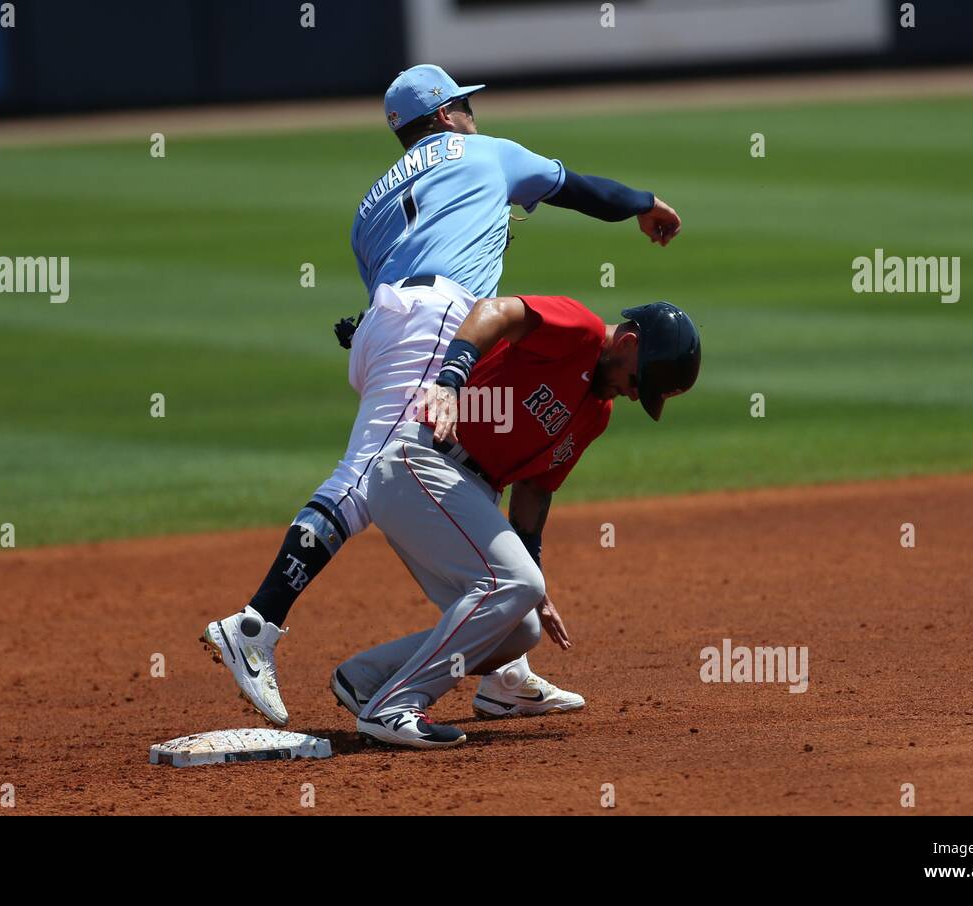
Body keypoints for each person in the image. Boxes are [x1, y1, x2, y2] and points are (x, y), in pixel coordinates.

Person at [202, 64, 683, 727]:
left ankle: (506, 676)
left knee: (424, 490)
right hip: (438, 320)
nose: (473, 116)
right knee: (369, 474)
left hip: (382, 326)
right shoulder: (488, 153)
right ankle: (258, 623)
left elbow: (389, 287)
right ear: (446, 113)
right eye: (465, 105)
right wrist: (644, 203)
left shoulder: (370, 204)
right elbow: (579, 189)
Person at [337, 294, 701, 748]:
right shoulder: (581, 332)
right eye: (636, 381)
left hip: (461, 493)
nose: (632, 394)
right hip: (422, 462)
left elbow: (534, 491)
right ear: (627, 342)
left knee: (519, 627)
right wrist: (450, 380)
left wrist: (537, 583)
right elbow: (498, 312)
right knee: (516, 584)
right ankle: (396, 705)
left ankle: (366, 677)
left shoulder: (597, 413)